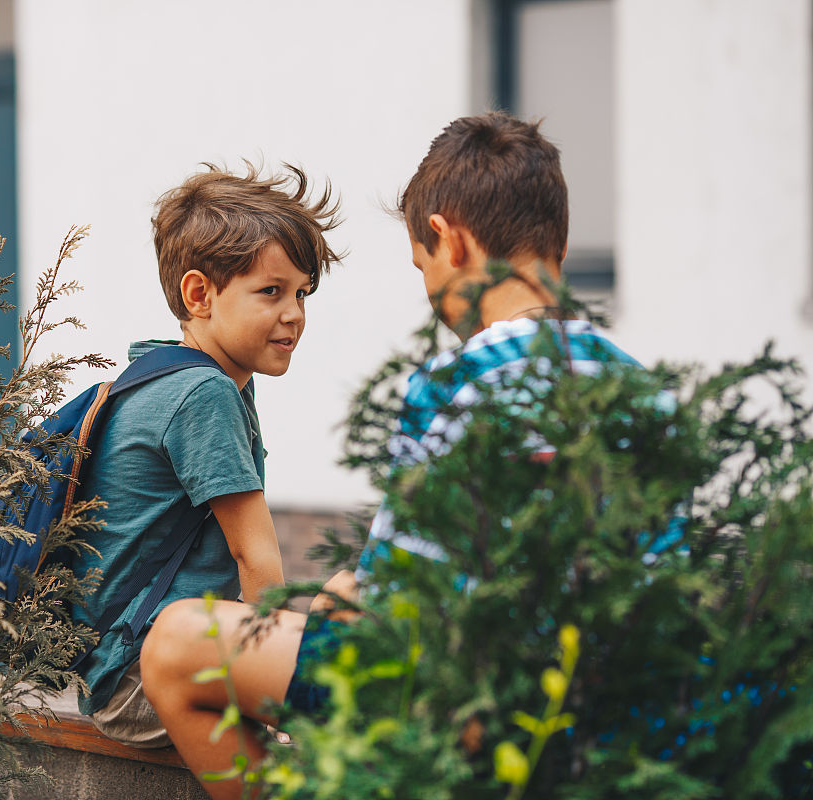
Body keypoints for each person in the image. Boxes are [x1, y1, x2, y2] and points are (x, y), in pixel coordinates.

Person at [139, 111, 641, 799]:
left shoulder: (466, 378)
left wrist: (321, 612)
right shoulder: (636, 382)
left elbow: (397, 601)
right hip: (612, 696)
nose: (431, 292)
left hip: (471, 701)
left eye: (423, 266)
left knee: (176, 644)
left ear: (448, 240)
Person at [73, 163, 341, 748]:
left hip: (128, 670)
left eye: (302, 292)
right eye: (271, 291)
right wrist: (279, 701)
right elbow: (256, 559)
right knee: (354, 658)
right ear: (200, 294)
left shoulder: (161, 375)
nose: (294, 313)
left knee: (347, 597)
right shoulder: (204, 393)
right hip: (144, 681)